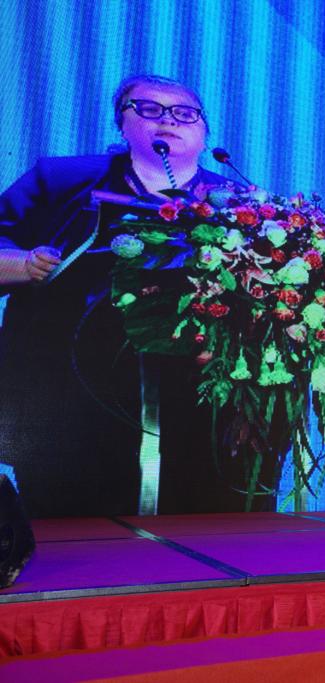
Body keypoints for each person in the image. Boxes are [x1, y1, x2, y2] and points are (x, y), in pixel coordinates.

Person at [0, 74, 240, 517]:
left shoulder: (241, 201)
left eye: (184, 113)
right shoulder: (61, 180)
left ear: (204, 133)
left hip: (198, 403)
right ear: (121, 124)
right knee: (74, 529)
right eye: (148, 109)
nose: (168, 120)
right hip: (69, 397)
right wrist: (25, 263)